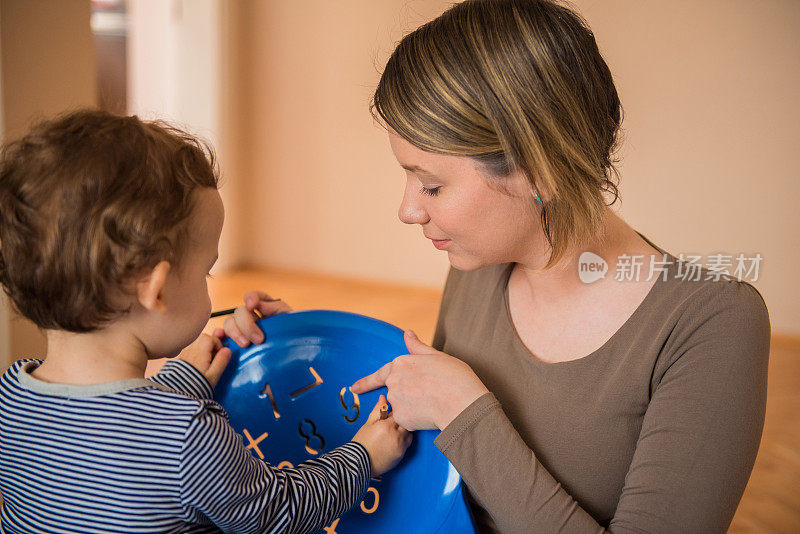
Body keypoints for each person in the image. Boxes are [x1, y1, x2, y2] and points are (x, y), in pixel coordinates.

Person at [227, 1, 770, 532]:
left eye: (433, 185)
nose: (408, 210)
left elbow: (457, 421)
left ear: (541, 171)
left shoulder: (712, 325)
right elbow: (426, 442)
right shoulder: (478, 262)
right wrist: (292, 353)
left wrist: (470, 416)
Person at [0, 110, 411, 534]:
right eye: (205, 273)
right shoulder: (187, 436)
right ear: (156, 290)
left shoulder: (11, 396)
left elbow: (107, 431)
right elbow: (275, 513)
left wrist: (186, 376)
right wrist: (365, 455)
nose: (209, 285)